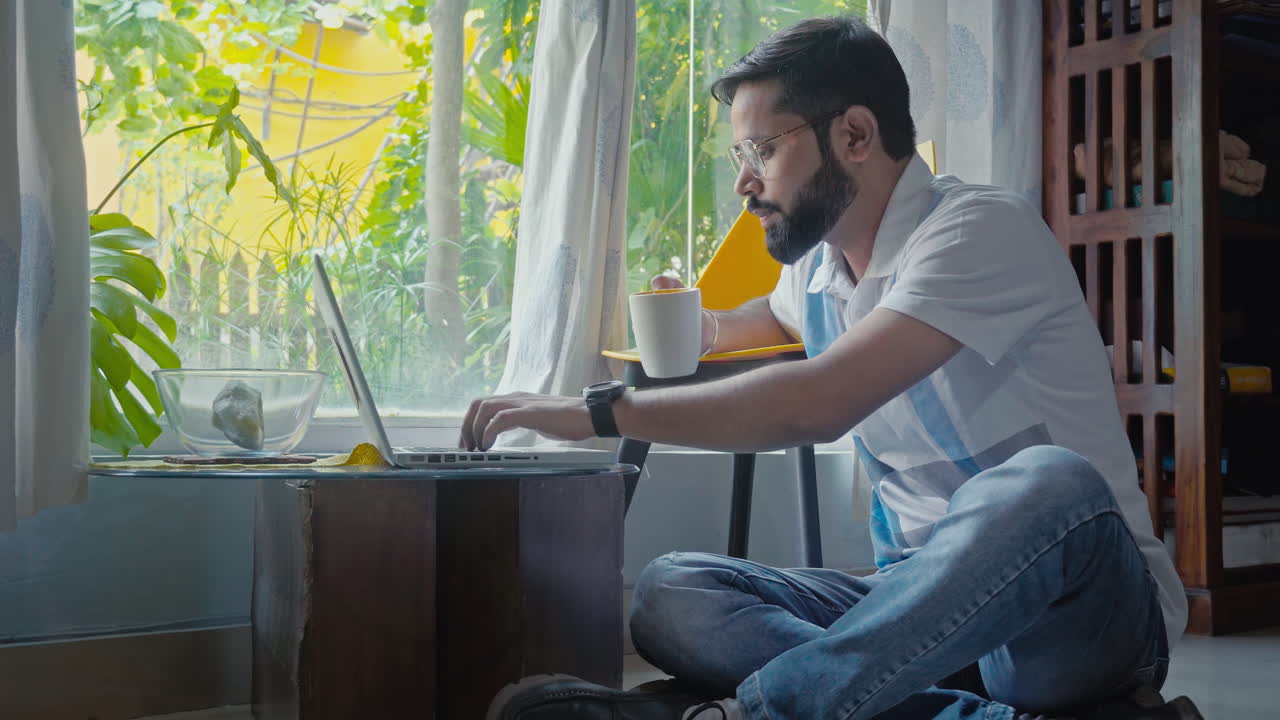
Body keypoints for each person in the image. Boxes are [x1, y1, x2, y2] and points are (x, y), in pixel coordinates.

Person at [468, 15, 1203, 720]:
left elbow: (818, 401)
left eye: (762, 151)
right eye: (741, 157)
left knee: (1048, 481)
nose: (744, 183)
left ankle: (766, 709)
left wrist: (600, 412)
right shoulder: (819, 270)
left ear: (854, 134)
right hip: (915, 611)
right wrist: (698, 324)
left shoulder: (980, 230)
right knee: (673, 593)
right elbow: (771, 318)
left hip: (1071, 614)